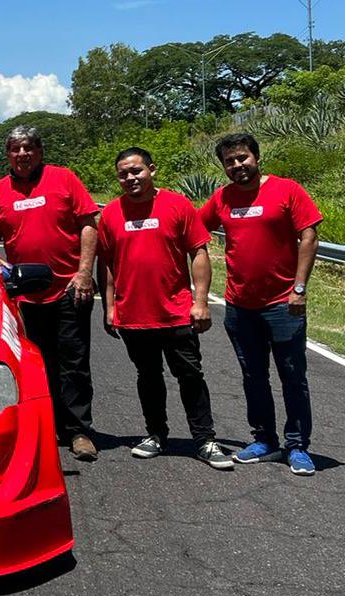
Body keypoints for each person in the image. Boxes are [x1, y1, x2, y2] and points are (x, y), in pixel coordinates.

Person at [97, 147, 233, 471]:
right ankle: (156, 434)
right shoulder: (112, 213)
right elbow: (107, 264)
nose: (130, 178)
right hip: (133, 314)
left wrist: (200, 302)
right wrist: (109, 306)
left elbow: (198, 253)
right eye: (123, 174)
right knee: (148, 377)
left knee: (190, 375)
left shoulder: (176, 205)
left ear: (152, 170)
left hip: (175, 311)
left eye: (136, 171)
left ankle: (204, 440)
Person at [201, 133, 324, 476]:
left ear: (256, 156)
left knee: (292, 376)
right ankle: (265, 440)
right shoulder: (223, 198)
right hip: (240, 305)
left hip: (283, 303)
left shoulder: (287, 190)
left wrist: (299, 288)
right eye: (229, 161)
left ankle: (297, 446)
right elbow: (194, 228)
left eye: (242, 157)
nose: (237, 165)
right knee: (253, 376)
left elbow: (309, 236)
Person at [0, 125, 101, 461]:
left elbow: (89, 224)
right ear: (8, 155)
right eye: (15, 149)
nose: (22, 155)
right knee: (37, 365)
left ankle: (78, 432)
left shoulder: (64, 180)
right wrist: (2, 269)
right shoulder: (0, 192)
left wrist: (84, 272)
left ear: (40, 152)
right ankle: (44, 426)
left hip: (69, 288)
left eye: (28, 148)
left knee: (73, 363)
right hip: (25, 296)